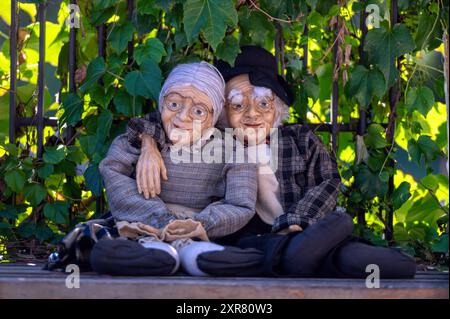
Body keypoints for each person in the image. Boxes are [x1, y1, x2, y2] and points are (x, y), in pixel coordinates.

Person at [128, 46, 417, 278]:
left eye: (263, 103)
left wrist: (295, 222)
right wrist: (149, 142)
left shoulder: (300, 139)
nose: (252, 114)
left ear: (277, 108)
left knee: (383, 263)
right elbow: (163, 120)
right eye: (238, 105)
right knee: (276, 254)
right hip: (254, 239)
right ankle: (301, 256)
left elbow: (328, 181)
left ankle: (306, 253)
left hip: (307, 229)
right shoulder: (211, 141)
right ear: (222, 113)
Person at [95, 61, 260, 275]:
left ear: (213, 117)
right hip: (141, 225)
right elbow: (116, 179)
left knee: (194, 249)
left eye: (199, 111)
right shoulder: (133, 143)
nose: (182, 117)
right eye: (173, 104)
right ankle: (155, 255)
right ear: (161, 103)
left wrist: (195, 225)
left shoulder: (231, 152)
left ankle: (198, 256)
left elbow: (241, 204)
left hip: (199, 231)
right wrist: (162, 220)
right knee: (128, 243)